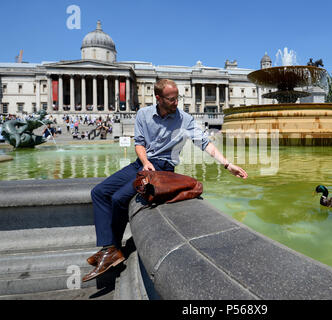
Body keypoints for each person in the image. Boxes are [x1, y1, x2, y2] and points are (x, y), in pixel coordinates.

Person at [82, 79, 248, 282]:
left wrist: (227, 164)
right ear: (158, 98)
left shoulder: (184, 119)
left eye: (178, 98)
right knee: (98, 192)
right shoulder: (143, 114)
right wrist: (144, 162)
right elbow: (140, 143)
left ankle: (111, 250)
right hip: (142, 163)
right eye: (171, 99)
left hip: (163, 167)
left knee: (119, 198)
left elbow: (205, 143)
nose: (176, 102)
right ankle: (111, 249)